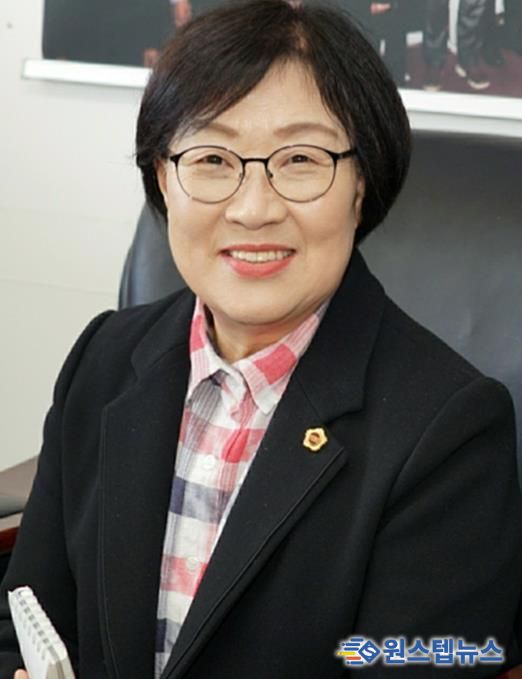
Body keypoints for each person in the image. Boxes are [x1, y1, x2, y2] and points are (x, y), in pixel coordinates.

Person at [2, 1, 522, 677]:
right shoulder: (103, 359)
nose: (253, 208)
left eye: (300, 158)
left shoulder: (449, 432)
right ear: (163, 177)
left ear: (360, 184)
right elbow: (26, 625)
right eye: (212, 158)